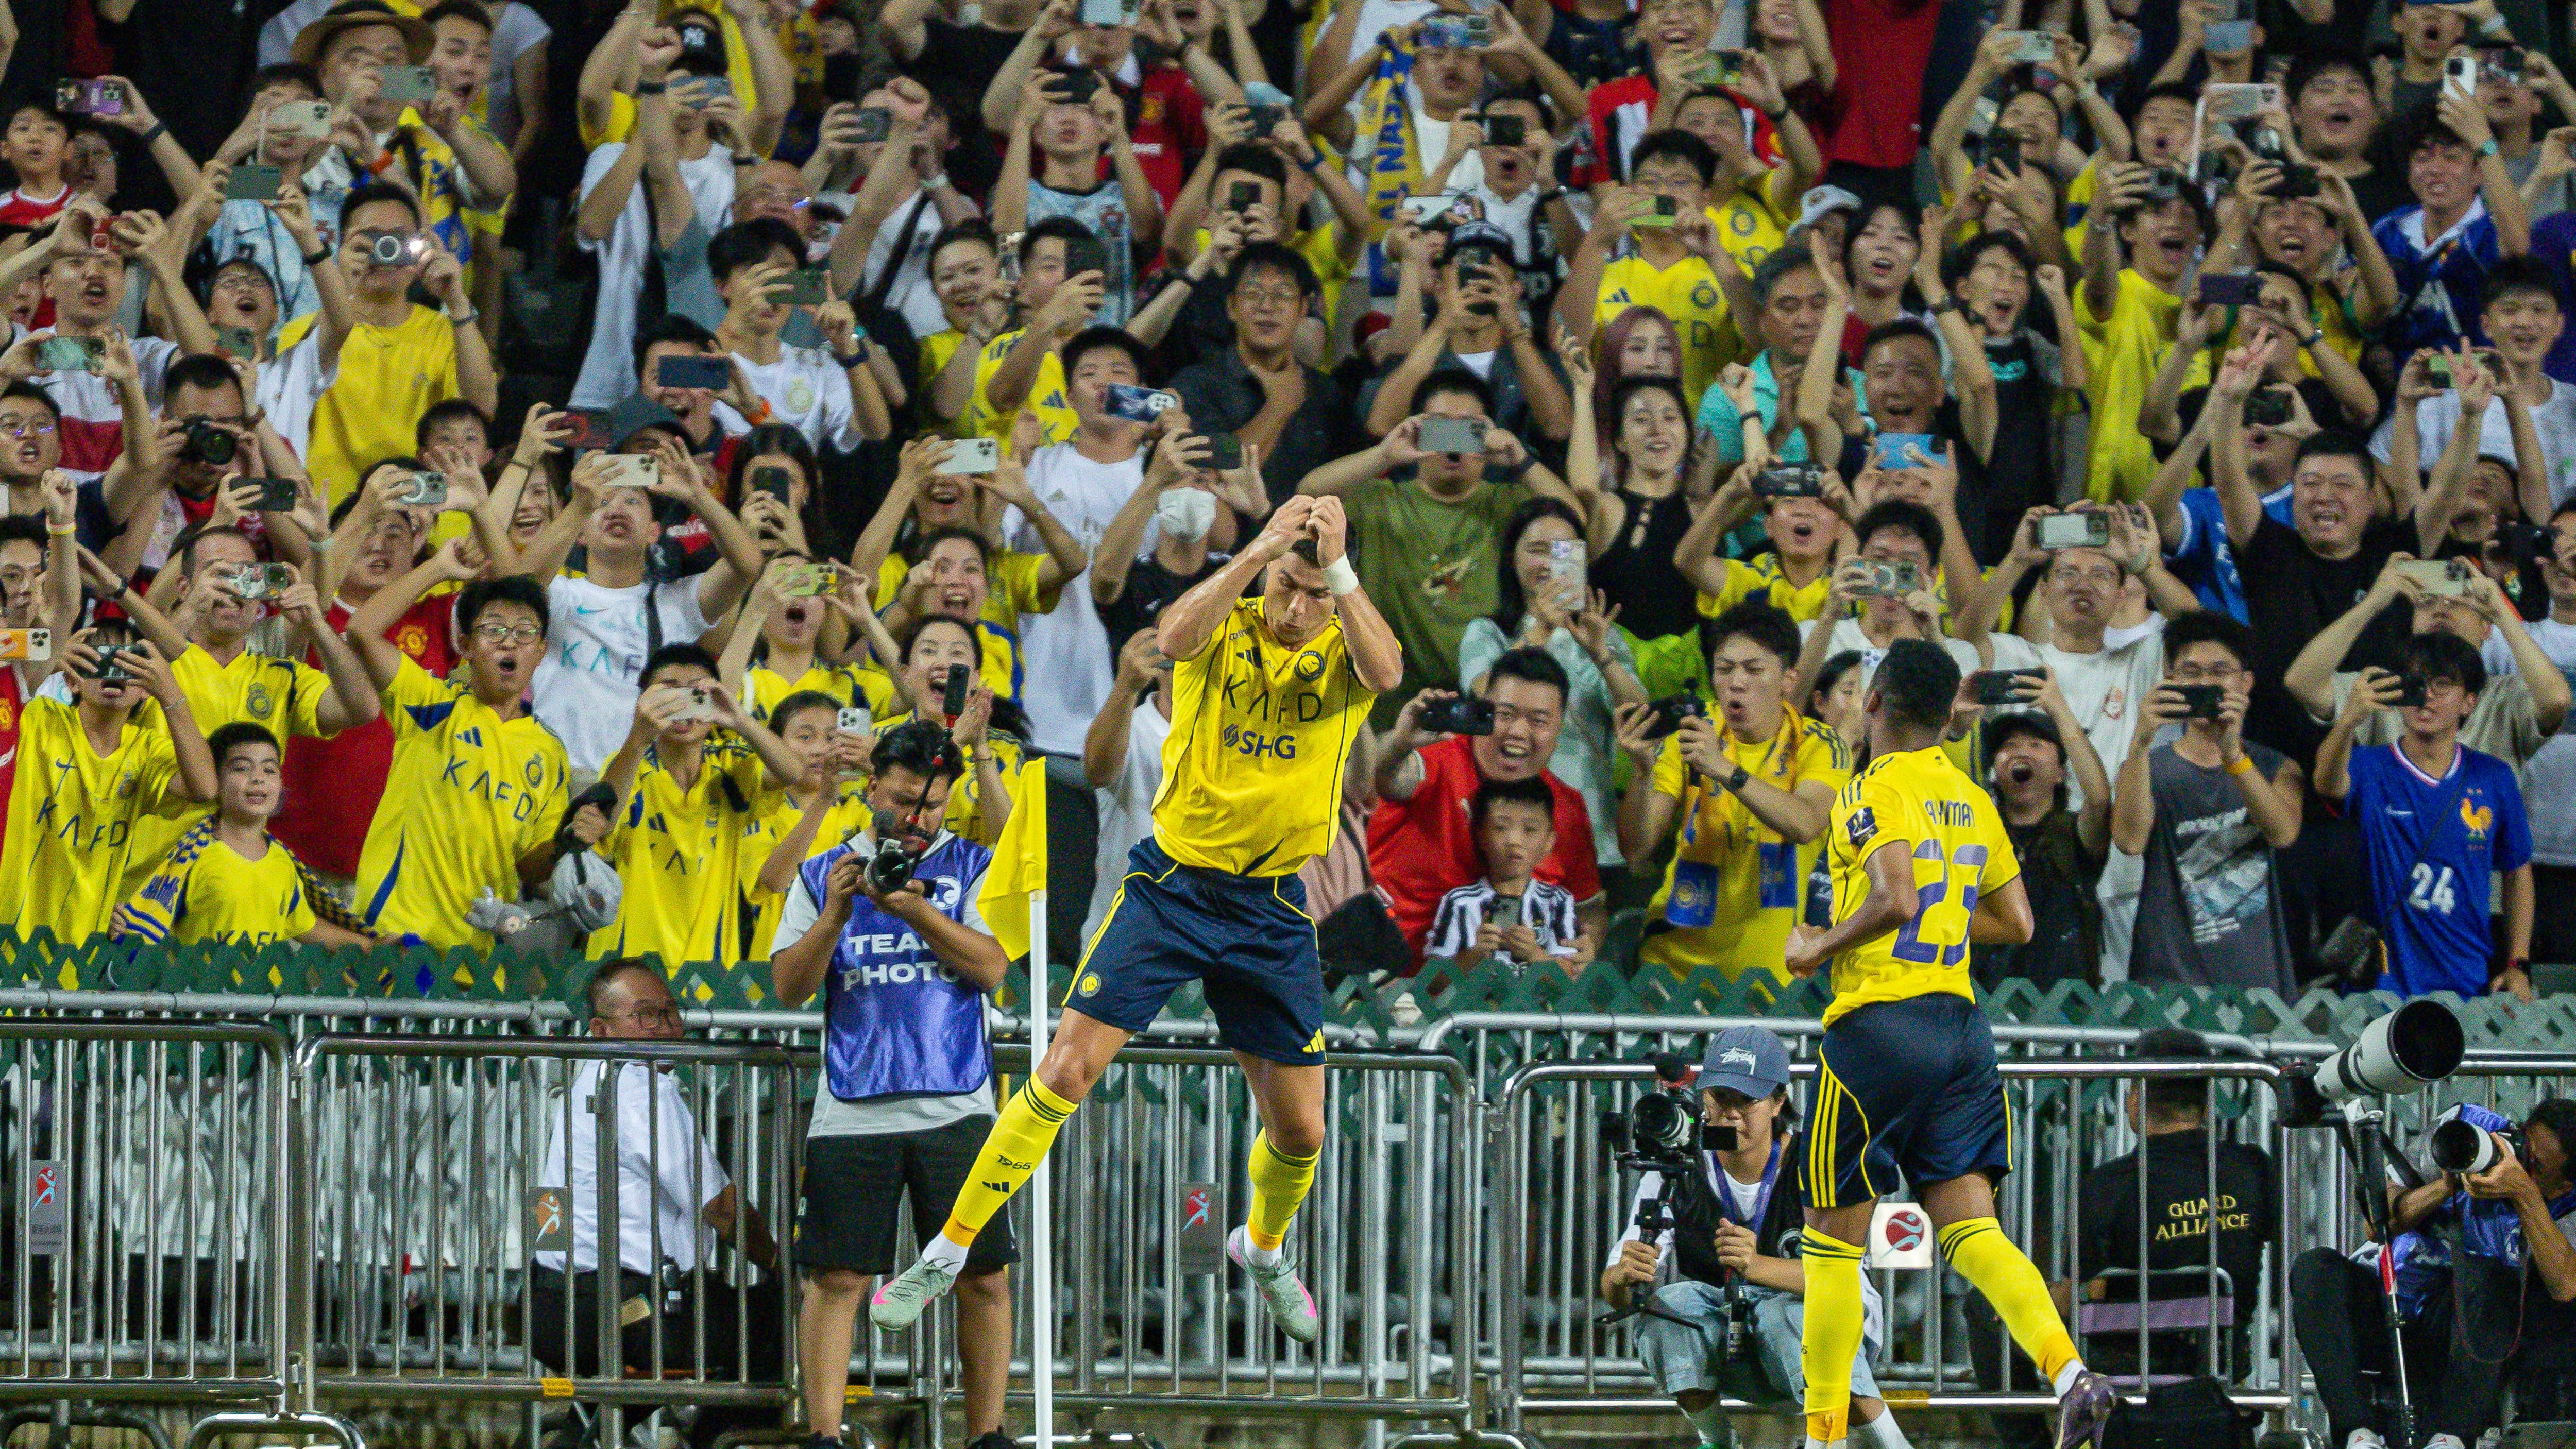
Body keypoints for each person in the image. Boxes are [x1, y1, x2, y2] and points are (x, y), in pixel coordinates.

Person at [867, 493, 1402, 1346]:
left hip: (1269, 905)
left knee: (1302, 1127)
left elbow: (1390, 673)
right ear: (1266, 575)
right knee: (1065, 1071)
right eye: (1287, 586)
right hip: (1172, 887)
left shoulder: (1345, 650)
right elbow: (1175, 637)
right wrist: (1256, 550)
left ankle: (1263, 1247)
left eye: (1316, 594)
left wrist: (1337, 569)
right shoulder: (1226, 625)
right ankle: (946, 1249)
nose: (1298, 609)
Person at [1778, 637, 2114, 1447]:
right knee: (1972, 1232)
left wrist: (1817, 947)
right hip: (1961, 1029)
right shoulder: (1970, 797)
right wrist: (1942, 918)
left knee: (1831, 1247)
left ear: (1873, 702)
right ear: (1944, 715)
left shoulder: (1871, 788)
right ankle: (2070, 1373)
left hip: (1878, 1028)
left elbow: (1897, 896)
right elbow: (2017, 921)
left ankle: (1822, 1438)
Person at [769, 719, 1016, 1449]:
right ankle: (823, 1434)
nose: (917, 819)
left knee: (984, 1275)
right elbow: (789, 986)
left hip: (958, 1102)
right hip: (852, 1106)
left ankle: (987, 1435)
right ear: (872, 787)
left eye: (932, 805)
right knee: (836, 1278)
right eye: (905, 802)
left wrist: (915, 907)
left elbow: (992, 967)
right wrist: (838, 914)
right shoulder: (822, 872)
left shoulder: (973, 864)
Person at [1598, 1027, 1911, 1449]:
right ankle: (1717, 1441)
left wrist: (1758, 1265)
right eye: (1720, 1097)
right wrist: (1622, 1277)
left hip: (1822, 1323)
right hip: (1734, 1326)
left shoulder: (1814, 1161)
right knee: (1668, 1311)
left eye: (1746, 1100)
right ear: (1702, 1097)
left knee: (1789, 1319)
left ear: (1779, 1101)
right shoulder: (1675, 1165)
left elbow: (1843, 1280)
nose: (1731, 1114)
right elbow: (1614, 1290)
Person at [529, 961, 785, 1449]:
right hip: (627, 1312)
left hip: (552, 1308)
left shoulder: (581, 1084)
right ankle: (714, 1442)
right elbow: (721, 1208)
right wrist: (781, 1264)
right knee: (775, 1318)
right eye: (647, 1015)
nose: (666, 1027)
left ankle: (578, 1439)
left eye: (671, 1012)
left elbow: (548, 1212)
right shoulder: (642, 1087)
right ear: (601, 1030)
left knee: (656, 1357)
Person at [343, 549, 594, 955]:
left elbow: (531, 866)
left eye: (525, 631)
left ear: (541, 650)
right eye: (493, 630)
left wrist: (567, 842)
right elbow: (361, 630)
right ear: (465, 644)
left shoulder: (549, 751)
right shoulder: (432, 705)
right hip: (398, 939)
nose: (509, 641)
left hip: (479, 954)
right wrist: (439, 568)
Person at [1614, 600, 1847, 983]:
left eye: (1754, 670)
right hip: (1670, 970)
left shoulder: (1819, 744)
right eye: (1724, 669)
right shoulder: (1691, 733)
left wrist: (1723, 768)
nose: (1737, 682)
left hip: (1768, 981)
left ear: (1789, 679)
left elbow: (1806, 823)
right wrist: (1642, 773)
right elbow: (1637, 849)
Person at [2315, 634, 2536, 1000]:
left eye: (2443, 684)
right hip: (2380, 987)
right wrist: (2349, 719)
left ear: (2469, 701)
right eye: (2416, 683)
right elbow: (2326, 783)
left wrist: (2518, 964)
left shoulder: (2493, 776)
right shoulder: (2369, 765)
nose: (2427, 696)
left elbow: (2518, 870)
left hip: (2466, 981)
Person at [1370, 646, 1607, 964]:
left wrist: (1587, 942)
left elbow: (1589, 908)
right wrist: (1400, 742)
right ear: (1484, 709)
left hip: (1513, 989)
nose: (1518, 732)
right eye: (1505, 715)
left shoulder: (1567, 809)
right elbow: (1380, 777)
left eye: (1538, 721)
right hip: (1392, 977)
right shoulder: (1435, 760)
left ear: (1560, 727)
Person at [2065, 1027, 2277, 1379]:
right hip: (2222, 1366)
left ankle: (2039, 1419)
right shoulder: (2252, 1168)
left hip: (2128, 1369)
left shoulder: (2107, 1185)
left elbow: (2088, 1288)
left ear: (2135, 1098)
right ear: (2207, 1104)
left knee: (1989, 1309)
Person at [2111, 611, 2306, 992]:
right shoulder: (2145, 767)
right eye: (2191, 672)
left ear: (2246, 683)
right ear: (2170, 681)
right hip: (2168, 983)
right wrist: (2142, 738)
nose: (2205, 683)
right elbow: (2130, 841)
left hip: (2258, 983)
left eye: (2220, 671)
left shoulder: (2276, 767)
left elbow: (2283, 833)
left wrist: (2233, 755)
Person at [0, 625, 218, 961]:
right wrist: (47, 660)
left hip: (83, 954)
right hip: (9, 939)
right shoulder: (39, 719)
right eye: (99, 659)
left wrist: (171, 694)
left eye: (129, 663)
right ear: (73, 680)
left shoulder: (146, 750)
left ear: (145, 688)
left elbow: (205, 788)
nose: (113, 671)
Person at [590, 644, 812, 968]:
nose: (683, 706)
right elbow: (603, 824)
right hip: (630, 964)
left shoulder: (731, 765)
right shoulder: (628, 765)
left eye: (696, 694)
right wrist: (638, 736)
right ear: (644, 702)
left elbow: (793, 772)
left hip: (710, 972)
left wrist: (739, 719)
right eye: (669, 694)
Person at [111, 722, 372, 948]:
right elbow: (146, 924)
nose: (258, 779)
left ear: (281, 783)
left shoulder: (283, 862)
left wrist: (370, 946)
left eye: (269, 770)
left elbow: (307, 926)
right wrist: (121, 924)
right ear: (215, 780)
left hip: (266, 992)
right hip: (203, 992)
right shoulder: (192, 857)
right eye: (242, 768)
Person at [1972, 705, 2109, 993]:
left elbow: (2098, 800)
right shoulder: (1977, 835)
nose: (2021, 753)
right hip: (1986, 1001)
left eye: (2036, 745)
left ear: (2060, 773)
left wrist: (2058, 708)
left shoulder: (2075, 834)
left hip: (2065, 1004)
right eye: (2010, 746)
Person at [1423, 776, 1592, 974]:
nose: (1514, 840)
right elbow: (1432, 981)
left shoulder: (1557, 902)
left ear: (1549, 842)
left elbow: (1571, 975)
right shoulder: (1460, 902)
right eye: (1501, 828)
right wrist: (1474, 955)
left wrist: (1534, 954)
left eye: (1530, 830)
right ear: (1480, 836)